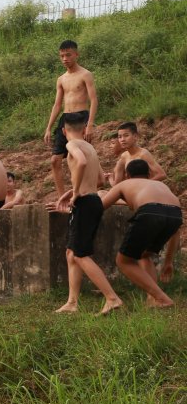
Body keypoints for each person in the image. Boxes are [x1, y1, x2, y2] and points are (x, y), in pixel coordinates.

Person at [51, 113, 123, 315]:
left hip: (84, 203)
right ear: (84, 130)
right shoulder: (91, 147)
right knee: (71, 253)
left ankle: (112, 298)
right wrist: (72, 191)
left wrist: (74, 192)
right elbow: (99, 180)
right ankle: (72, 302)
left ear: (64, 132)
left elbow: (81, 163)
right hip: (94, 200)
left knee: (81, 255)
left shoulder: (71, 145)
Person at [102, 159, 181, 308]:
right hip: (175, 214)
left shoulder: (124, 184)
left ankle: (161, 298)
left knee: (124, 261)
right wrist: (168, 262)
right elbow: (175, 233)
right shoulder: (161, 185)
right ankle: (153, 300)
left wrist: (70, 208)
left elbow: (99, 208)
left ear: (127, 176)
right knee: (144, 255)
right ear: (149, 174)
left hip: (150, 213)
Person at [43, 40, 98, 197]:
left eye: (68, 55)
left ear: (76, 54)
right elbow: (57, 105)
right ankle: (61, 197)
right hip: (65, 119)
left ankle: (85, 191)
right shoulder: (61, 79)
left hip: (81, 117)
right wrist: (48, 128)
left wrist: (90, 124)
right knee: (55, 160)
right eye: (62, 56)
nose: (65, 59)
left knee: (82, 156)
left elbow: (93, 100)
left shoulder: (85, 74)